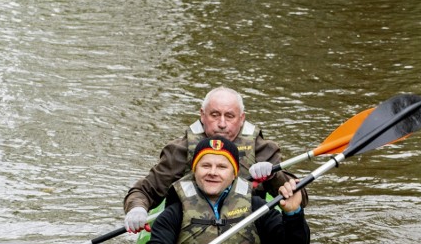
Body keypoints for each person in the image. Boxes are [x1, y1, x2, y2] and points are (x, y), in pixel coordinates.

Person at [141, 136, 309, 244]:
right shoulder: (176, 210)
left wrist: (292, 214)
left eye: (222, 166)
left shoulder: (256, 206)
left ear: (234, 173)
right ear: (194, 170)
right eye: (206, 165)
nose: (213, 172)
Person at [123, 86, 307, 233]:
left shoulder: (263, 149)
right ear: (202, 116)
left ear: (241, 119)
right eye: (214, 115)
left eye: (229, 116)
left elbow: (300, 198)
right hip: (190, 229)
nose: (222, 124)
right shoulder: (180, 150)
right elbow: (144, 191)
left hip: (249, 230)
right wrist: (136, 208)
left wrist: (274, 176)